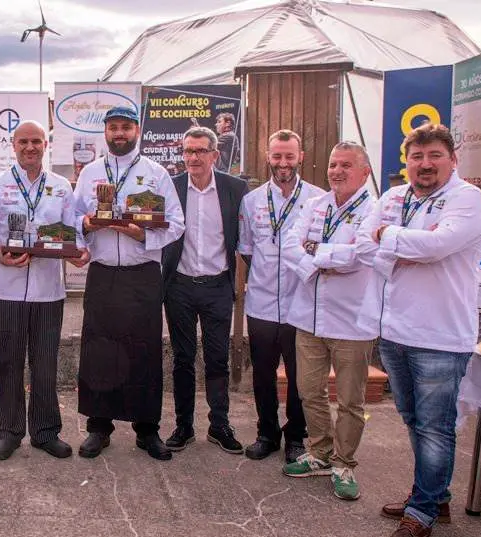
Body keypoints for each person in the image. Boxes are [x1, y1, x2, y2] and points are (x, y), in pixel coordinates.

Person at [357, 122, 481, 537]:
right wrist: (407, 243)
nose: (425, 164)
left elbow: (440, 245)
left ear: (452, 159)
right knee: (414, 420)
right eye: (417, 157)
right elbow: (363, 244)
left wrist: (391, 238)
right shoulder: (394, 197)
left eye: (434, 156)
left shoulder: (465, 198)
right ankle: (433, 498)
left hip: (440, 335)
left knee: (435, 428)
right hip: (394, 330)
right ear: (407, 162)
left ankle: (423, 511)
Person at [73, 106, 185, 461]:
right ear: (104, 132)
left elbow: (177, 224)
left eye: (125, 127)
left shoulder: (156, 173)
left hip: (143, 276)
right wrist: (87, 227)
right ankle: (99, 427)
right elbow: (73, 217)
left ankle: (147, 430)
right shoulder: (90, 172)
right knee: (99, 351)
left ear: (137, 130)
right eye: (113, 128)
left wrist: (141, 237)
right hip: (103, 274)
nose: (119, 134)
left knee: (145, 352)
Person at [0, 120, 87, 460]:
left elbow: (73, 231)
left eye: (36, 142)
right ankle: (9, 432)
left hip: (48, 292)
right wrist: (3, 258)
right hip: (6, 290)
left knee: (45, 364)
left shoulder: (61, 187)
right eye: (23, 141)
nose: (30, 147)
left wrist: (79, 253)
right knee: (8, 363)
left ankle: (45, 432)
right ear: (13, 145)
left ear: (46, 145)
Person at [281, 141, 378, 500]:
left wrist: (315, 251)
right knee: (309, 391)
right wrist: (320, 261)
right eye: (333, 164)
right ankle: (320, 452)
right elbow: (291, 243)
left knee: (351, 400)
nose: (337, 171)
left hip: (353, 320)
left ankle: (344, 463)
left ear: (364, 172)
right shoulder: (315, 203)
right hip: (309, 315)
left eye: (346, 165)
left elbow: (361, 255)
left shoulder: (375, 209)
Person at [161, 126, 247, 454]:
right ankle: (184, 426)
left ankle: (219, 424)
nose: (193, 157)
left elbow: (245, 235)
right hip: (179, 287)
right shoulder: (171, 187)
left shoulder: (234, 189)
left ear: (215, 154)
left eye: (200, 151)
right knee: (182, 359)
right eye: (188, 151)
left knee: (217, 359)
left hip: (217, 287)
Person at [237, 129, 321, 463]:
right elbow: (246, 249)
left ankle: (296, 437)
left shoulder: (318, 199)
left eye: (289, 156)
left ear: (301, 157)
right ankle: (266, 433)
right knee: (262, 373)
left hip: (300, 303)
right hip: (261, 304)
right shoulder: (252, 200)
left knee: (301, 375)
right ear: (268, 157)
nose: (282, 163)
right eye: (276, 156)